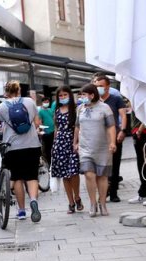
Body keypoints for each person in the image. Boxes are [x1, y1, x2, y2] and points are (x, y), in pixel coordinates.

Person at [0, 80, 43, 222]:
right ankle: (34, 201)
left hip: (13, 148)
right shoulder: (30, 102)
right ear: (19, 90)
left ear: (5, 92)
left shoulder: (2, 106)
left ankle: (22, 210)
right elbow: (37, 123)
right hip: (32, 145)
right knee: (31, 176)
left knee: (17, 178)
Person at [73, 83, 117, 217]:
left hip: (103, 147)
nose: (82, 98)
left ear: (92, 95)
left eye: (84, 95)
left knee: (102, 176)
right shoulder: (80, 109)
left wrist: (112, 142)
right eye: (81, 95)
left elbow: (111, 127)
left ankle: (102, 203)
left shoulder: (105, 108)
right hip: (85, 147)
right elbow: (77, 126)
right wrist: (75, 142)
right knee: (89, 175)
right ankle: (92, 203)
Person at [93, 74, 127, 202]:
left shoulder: (116, 99)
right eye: (96, 86)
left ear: (107, 87)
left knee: (115, 164)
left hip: (114, 136)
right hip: (98, 138)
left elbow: (123, 115)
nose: (98, 89)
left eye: (101, 86)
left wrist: (123, 130)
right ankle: (104, 190)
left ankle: (113, 192)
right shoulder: (93, 101)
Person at [50, 86, 83, 214]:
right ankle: (71, 202)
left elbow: (77, 127)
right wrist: (54, 144)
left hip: (71, 142)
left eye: (65, 95)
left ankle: (77, 196)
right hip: (59, 143)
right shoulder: (57, 110)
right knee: (64, 174)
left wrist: (76, 142)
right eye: (60, 96)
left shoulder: (75, 110)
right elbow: (56, 128)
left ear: (69, 95)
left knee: (74, 172)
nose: (63, 97)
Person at [128, 122, 146, 206]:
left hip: (144, 131)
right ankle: (144, 191)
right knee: (141, 163)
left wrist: (140, 130)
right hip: (138, 130)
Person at [38, 96, 55, 165]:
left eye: (47, 102)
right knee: (48, 149)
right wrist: (43, 131)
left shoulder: (50, 110)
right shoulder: (40, 111)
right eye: (45, 102)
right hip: (46, 133)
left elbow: (53, 119)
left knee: (53, 148)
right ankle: (49, 163)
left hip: (53, 131)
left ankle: (54, 162)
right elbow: (40, 122)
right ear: (42, 103)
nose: (46, 103)